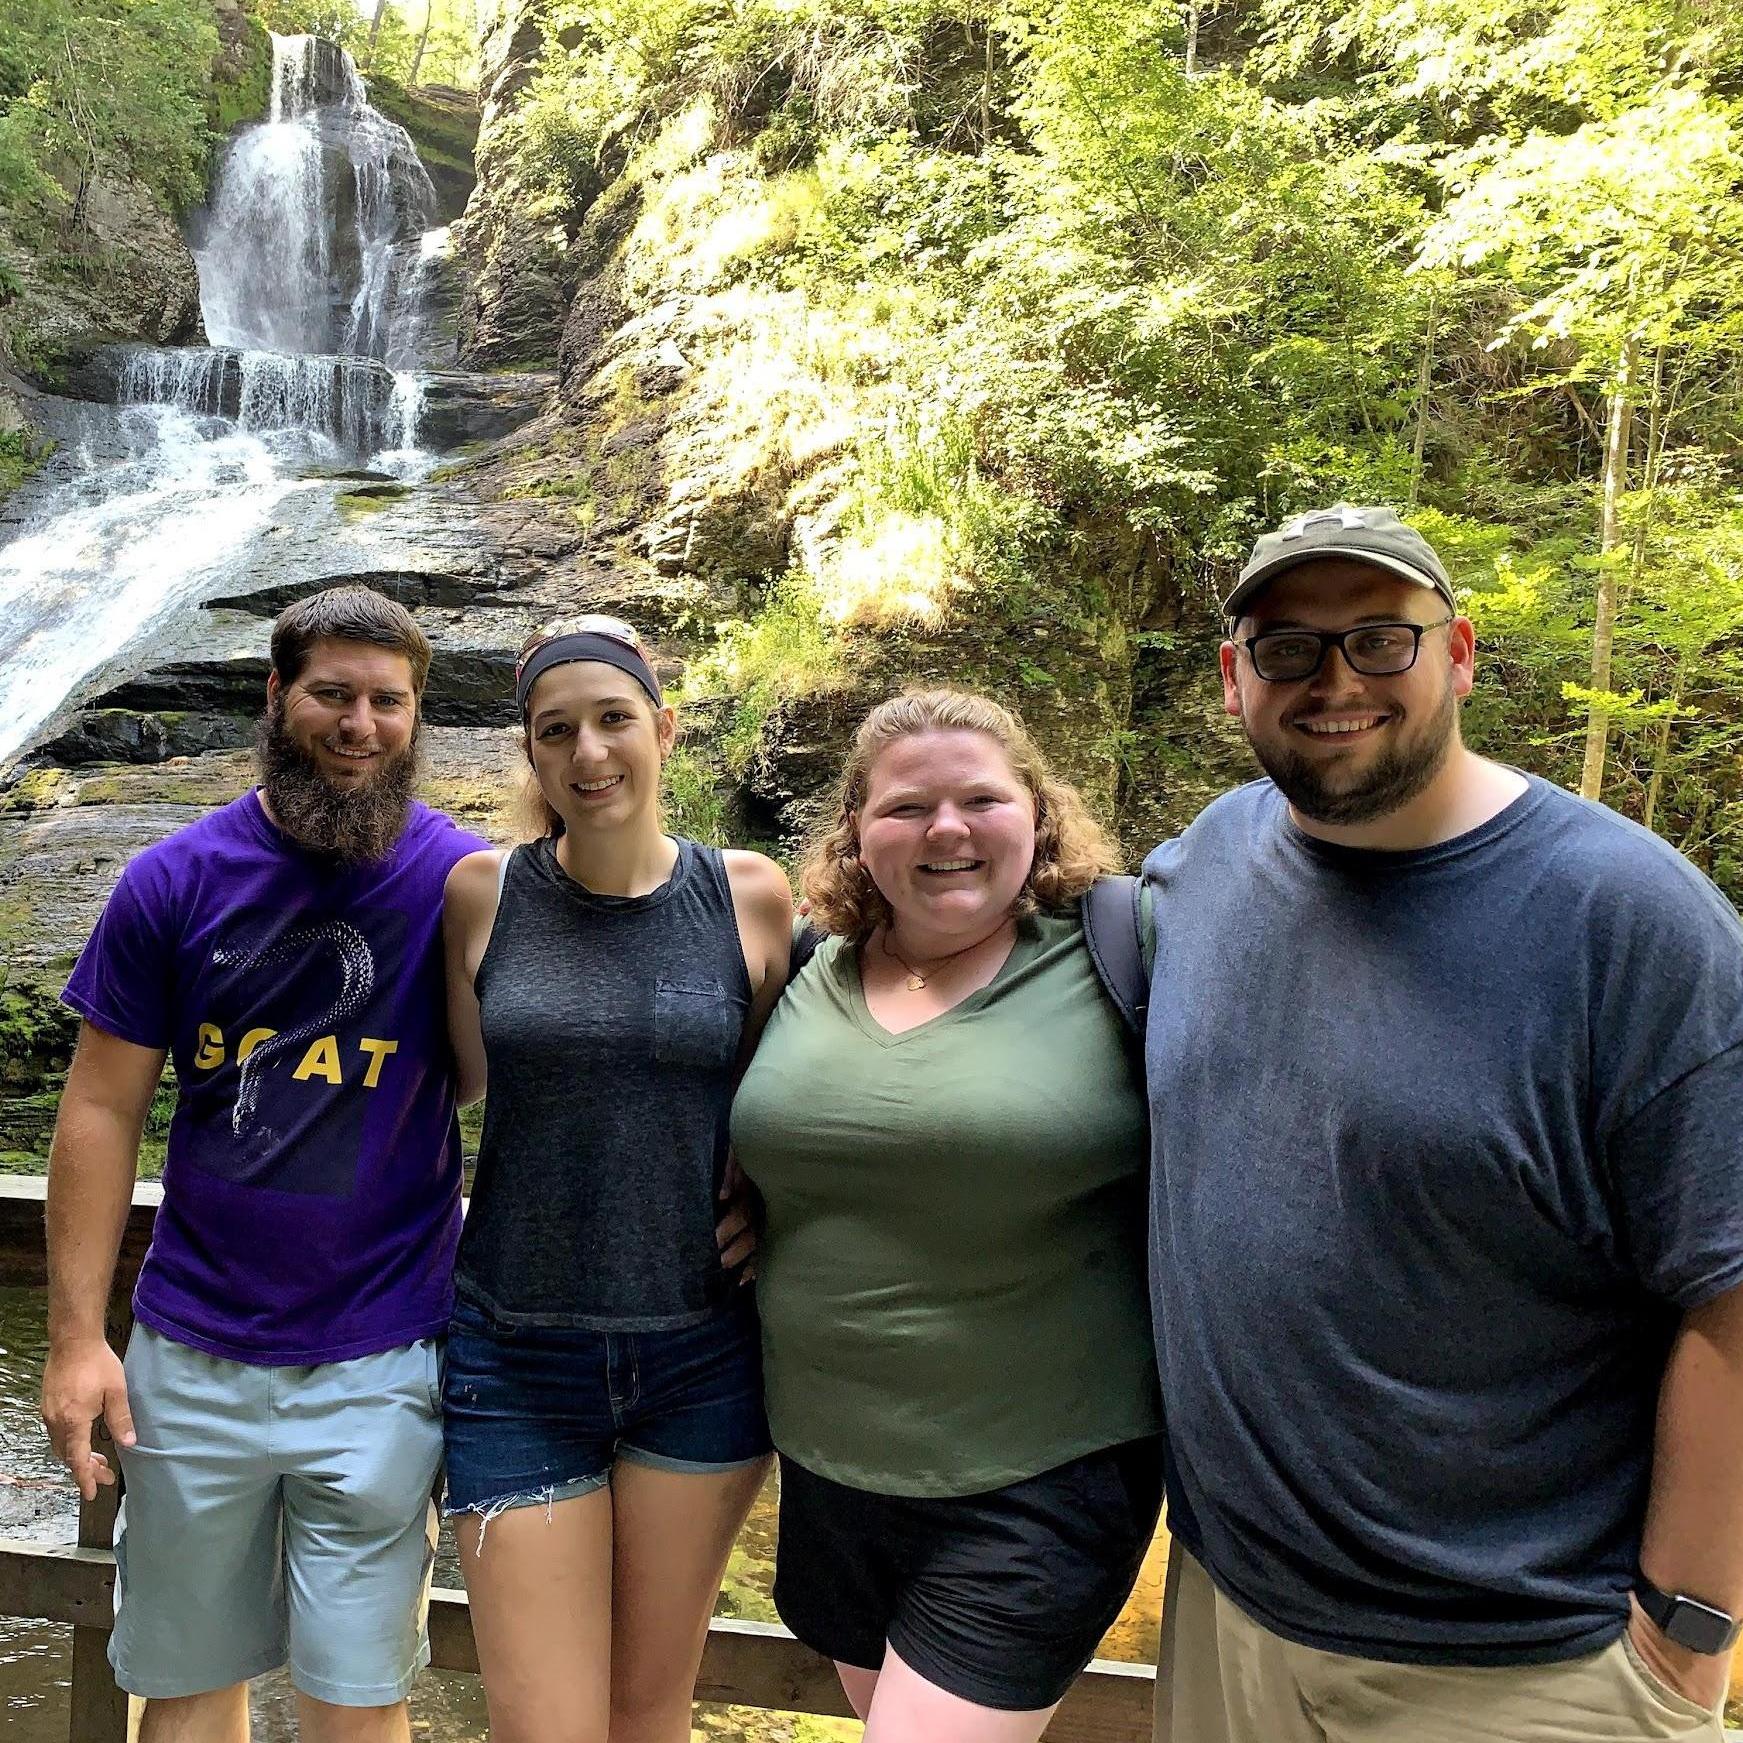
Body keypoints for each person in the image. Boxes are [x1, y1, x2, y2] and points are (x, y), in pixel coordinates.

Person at [1144, 503, 1743, 1743]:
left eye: (1381, 640)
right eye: (1290, 649)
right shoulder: (1207, 860)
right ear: (1232, 679)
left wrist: (1688, 1632)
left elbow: (1733, 1291)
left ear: (1459, 652)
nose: (1335, 682)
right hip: (1229, 1614)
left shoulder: (1631, 923)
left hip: (1521, 1667)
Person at [39, 586, 491, 1743]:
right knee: (185, 1686)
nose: (360, 724)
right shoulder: (173, 882)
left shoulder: (463, 889)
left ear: (417, 714)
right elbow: (97, 1110)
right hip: (190, 1357)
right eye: (332, 694)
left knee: (358, 1695)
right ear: (277, 694)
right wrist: (78, 1341)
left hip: (383, 1358)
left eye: (388, 701)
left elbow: (546, 1066)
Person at [731, 687, 1164, 1742]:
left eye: (981, 798)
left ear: (1039, 812)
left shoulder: (1127, 948)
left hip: (1045, 1476)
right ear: (855, 832)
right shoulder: (804, 965)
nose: (948, 830)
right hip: (830, 1471)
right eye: (907, 807)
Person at [438, 613, 792, 1743]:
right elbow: (447, 1097)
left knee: (648, 1710)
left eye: (613, 721)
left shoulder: (750, 898)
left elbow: (788, 1110)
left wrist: (777, 1209)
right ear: (531, 755)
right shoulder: (480, 898)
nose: (589, 755)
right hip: (512, 1351)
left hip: (700, 1350)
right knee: (543, 1725)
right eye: (557, 732)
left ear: (664, 729)